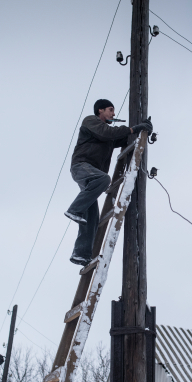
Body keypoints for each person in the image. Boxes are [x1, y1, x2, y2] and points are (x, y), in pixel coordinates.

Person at [65, 99, 152, 266]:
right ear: (100, 111)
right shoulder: (91, 121)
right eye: (110, 110)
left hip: (92, 174)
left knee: (92, 216)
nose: (113, 114)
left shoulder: (107, 135)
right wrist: (134, 128)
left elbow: (121, 138)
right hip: (82, 166)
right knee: (104, 179)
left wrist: (143, 131)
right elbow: (107, 133)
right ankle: (74, 210)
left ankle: (81, 254)